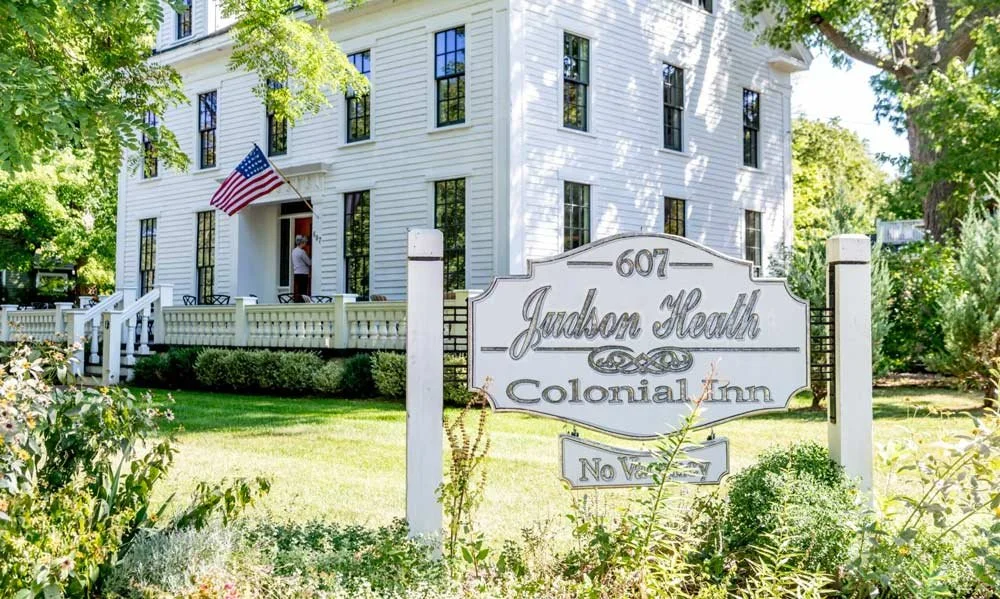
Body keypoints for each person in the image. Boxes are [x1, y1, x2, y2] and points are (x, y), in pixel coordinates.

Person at [291, 234, 312, 302]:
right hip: (303, 274)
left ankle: (298, 303)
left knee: (299, 291)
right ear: (302, 243)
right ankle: (303, 303)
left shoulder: (294, 251)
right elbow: (309, 262)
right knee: (303, 291)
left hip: (296, 273)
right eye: (304, 242)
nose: (305, 244)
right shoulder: (302, 252)